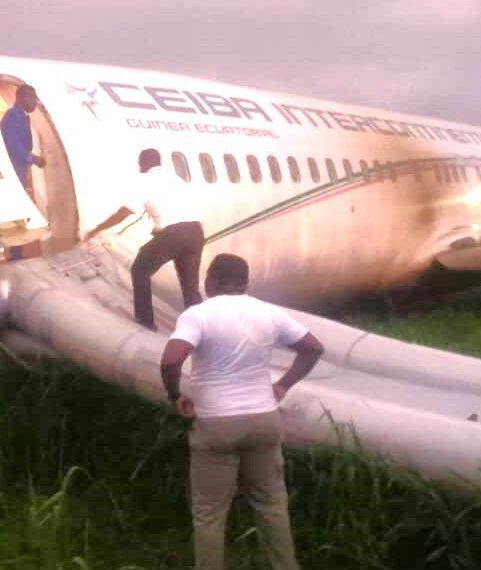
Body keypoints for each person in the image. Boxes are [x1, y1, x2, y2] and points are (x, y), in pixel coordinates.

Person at [160, 253, 324, 570]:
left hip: (217, 425)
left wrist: (174, 394)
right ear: (246, 283)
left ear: (210, 281)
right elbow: (313, 348)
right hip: (264, 419)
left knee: (209, 513)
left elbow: (170, 361)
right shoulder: (270, 313)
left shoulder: (198, 315)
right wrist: (283, 385)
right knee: (272, 505)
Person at [83, 148, 202, 331]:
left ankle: (145, 321)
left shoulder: (145, 180)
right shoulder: (175, 179)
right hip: (195, 231)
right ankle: (203, 328)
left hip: (174, 233)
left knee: (140, 270)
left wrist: (97, 229)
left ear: (143, 164)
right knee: (190, 287)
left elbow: (125, 212)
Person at [0, 83, 46, 190]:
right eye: (32, 97)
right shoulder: (14, 115)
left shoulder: (22, 115)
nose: (35, 102)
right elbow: (12, 145)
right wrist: (33, 158)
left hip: (19, 167)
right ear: (20, 97)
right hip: (13, 168)